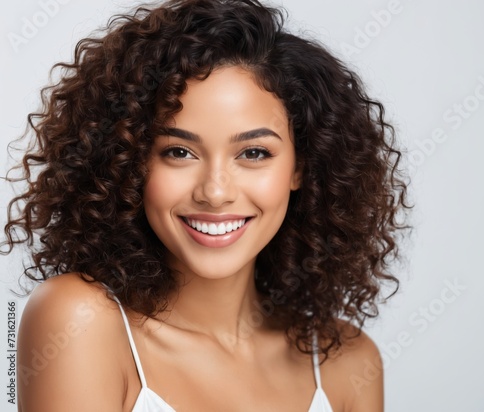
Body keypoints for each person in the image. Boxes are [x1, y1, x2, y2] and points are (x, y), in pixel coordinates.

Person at [2, 0, 410, 410]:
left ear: (300, 167)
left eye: (253, 153)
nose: (215, 193)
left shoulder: (347, 363)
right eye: (179, 152)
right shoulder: (80, 321)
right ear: (129, 160)